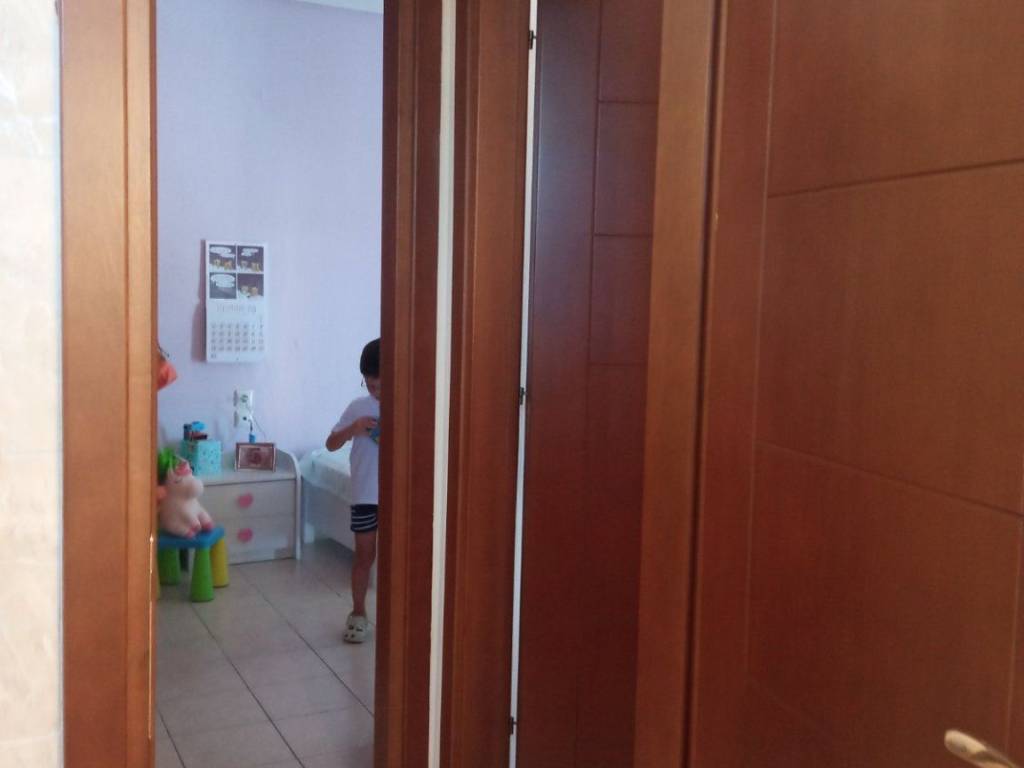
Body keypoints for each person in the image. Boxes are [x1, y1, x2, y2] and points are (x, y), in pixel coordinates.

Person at [325, 338, 381, 643]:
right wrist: (354, 428)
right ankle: (358, 613)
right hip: (365, 495)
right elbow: (331, 444)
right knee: (364, 556)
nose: (374, 387)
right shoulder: (358, 407)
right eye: (368, 381)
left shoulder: (409, 402)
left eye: (380, 380)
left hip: (399, 495)